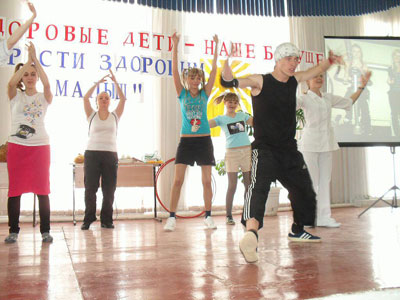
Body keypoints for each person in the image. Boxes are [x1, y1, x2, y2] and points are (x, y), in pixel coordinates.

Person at [221, 42, 343, 263]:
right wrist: (227, 59)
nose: (294, 64)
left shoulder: (294, 81)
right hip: (265, 149)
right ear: (278, 59)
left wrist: (330, 61)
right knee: (257, 189)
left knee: (305, 190)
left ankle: (297, 230)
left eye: (296, 60)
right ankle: (251, 234)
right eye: (289, 59)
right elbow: (229, 81)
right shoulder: (260, 81)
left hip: (288, 150)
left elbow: (315, 70)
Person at [298, 71, 371, 228]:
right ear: (307, 82)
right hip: (310, 144)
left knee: (325, 181)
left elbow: (348, 102)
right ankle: (309, 217)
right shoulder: (303, 98)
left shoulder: (328, 97)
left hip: (327, 144)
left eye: (320, 76)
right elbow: (287, 104)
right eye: (314, 76)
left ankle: (324, 217)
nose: (318, 78)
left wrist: (361, 87)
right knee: (311, 182)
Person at [163, 32, 219, 231]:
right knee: (177, 180)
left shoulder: (205, 93)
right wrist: (175, 46)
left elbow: (213, 73)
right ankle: (171, 217)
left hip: (204, 140)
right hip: (186, 141)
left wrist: (216, 48)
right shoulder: (182, 93)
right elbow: (174, 72)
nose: (195, 80)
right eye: (192, 77)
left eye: (198, 78)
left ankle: (208, 216)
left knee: (206, 181)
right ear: (187, 79)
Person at [5, 42, 53, 243]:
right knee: (15, 189)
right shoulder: (15, 96)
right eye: (26, 74)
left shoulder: (44, 97)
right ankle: (13, 231)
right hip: (17, 148)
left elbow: (48, 84)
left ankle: (45, 231)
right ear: (22, 77)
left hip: (40, 148)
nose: (31, 77)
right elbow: (10, 83)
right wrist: (27, 61)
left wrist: (36, 61)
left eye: (33, 74)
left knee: (42, 189)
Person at [80, 69, 126, 230]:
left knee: (109, 189)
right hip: (92, 154)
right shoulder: (91, 114)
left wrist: (115, 82)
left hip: (110, 155)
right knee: (90, 188)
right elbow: (85, 97)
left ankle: (107, 219)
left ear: (109, 101)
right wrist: (97, 84)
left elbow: (124, 99)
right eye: (101, 98)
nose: (104, 100)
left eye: (107, 98)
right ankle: (88, 218)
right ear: (97, 101)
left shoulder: (115, 116)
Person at [209, 92, 253, 225]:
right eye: (230, 102)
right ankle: (228, 215)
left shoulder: (242, 115)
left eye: (235, 102)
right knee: (232, 185)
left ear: (237, 104)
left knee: (248, 185)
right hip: (231, 154)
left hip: (246, 151)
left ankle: (247, 213)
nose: (232, 105)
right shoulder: (221, 118)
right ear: (225, 103)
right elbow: (206, 124)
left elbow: (257, 122)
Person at [387, 49, 400, 137]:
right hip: (393, 93)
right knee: (394, 114)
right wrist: (389, 81)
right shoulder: (390, 68)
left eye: (399, 55)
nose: (397, 57)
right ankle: (397, 134)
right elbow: (389, 80)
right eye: (395, 55)